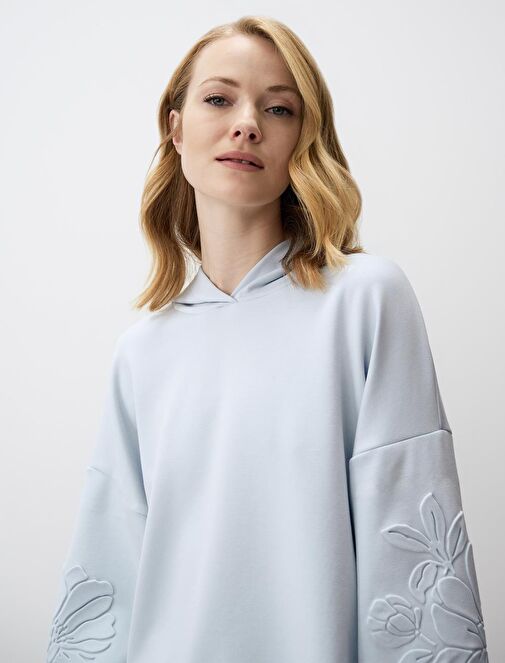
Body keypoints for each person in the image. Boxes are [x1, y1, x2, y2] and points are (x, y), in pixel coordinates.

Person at [45, 15, 489, 663]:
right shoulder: (142, 351)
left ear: (303, 139)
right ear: (175, 127)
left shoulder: (366, 300)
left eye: (278, 108)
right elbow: (107, 575)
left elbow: (409, 558)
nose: (247, 123)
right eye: (219, 98)